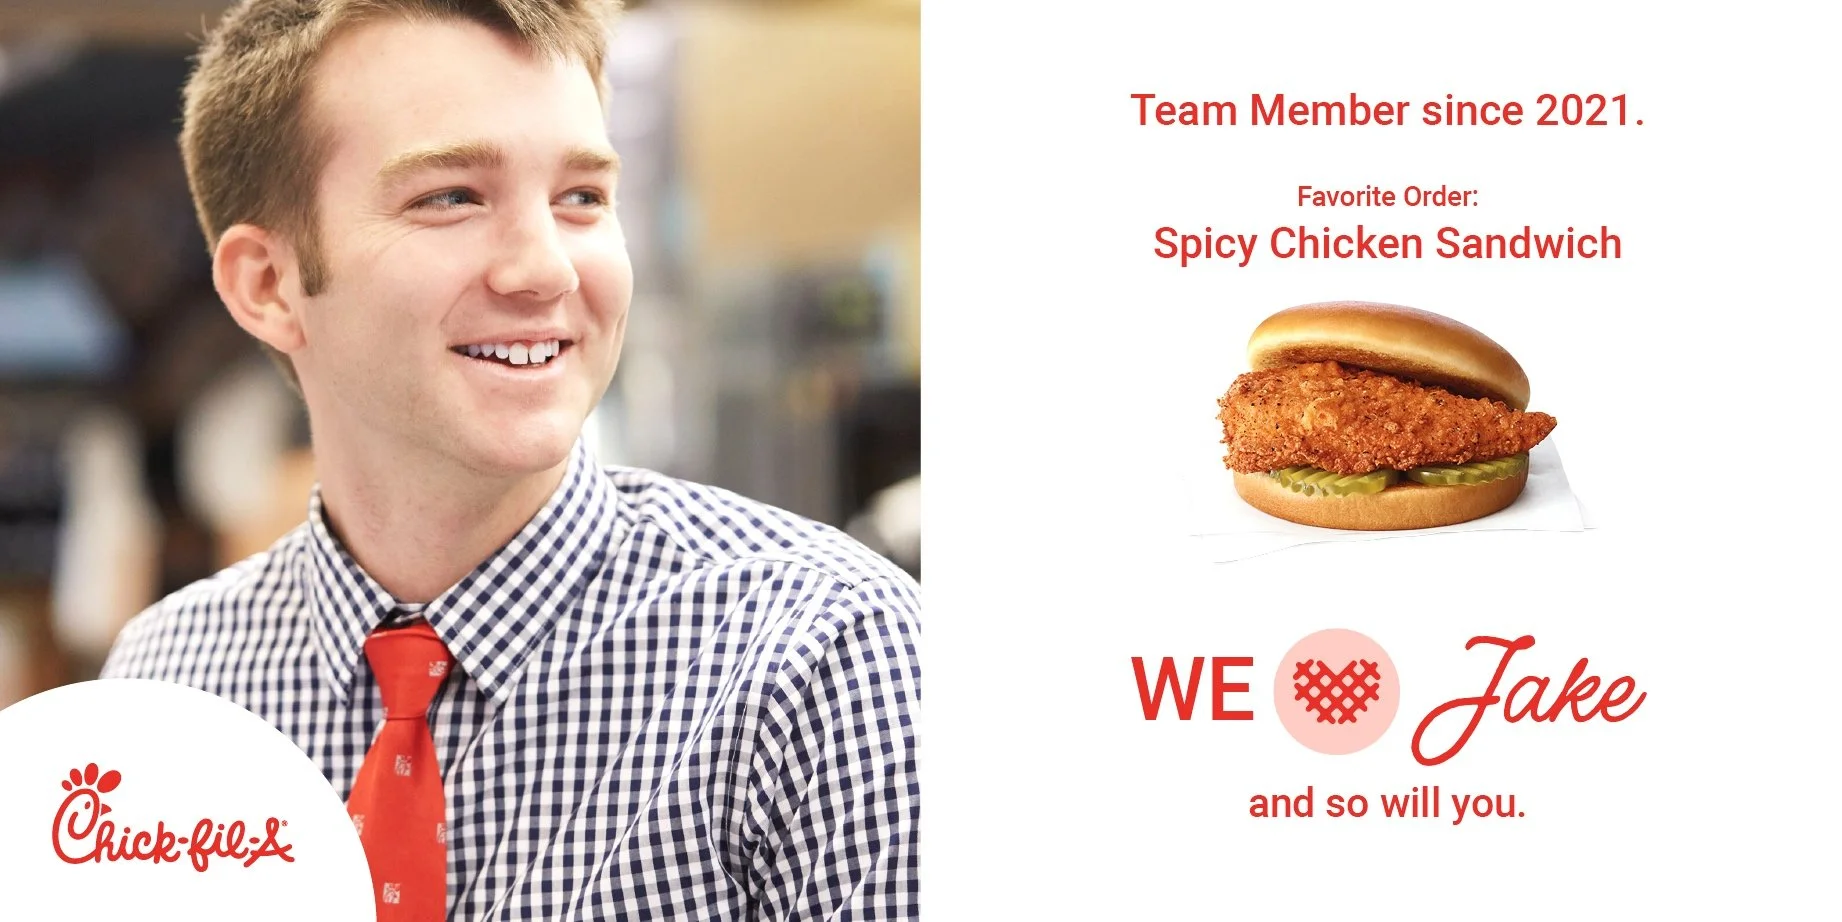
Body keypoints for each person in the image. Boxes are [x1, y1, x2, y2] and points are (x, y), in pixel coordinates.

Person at [99, 2, 921, 919]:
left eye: (582, 198)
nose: (548, 270)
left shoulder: (826, 663)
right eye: (451, 197)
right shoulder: (169, 683)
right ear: (268, 285)